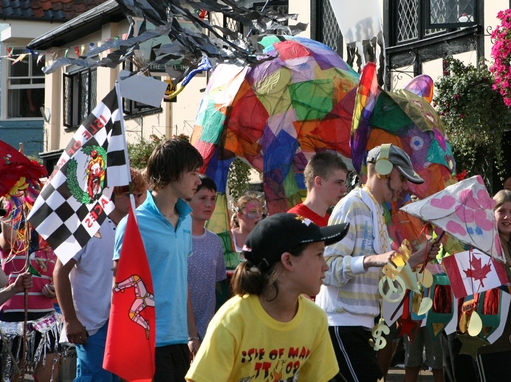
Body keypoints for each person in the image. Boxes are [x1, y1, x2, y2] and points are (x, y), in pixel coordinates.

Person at [316, 144, 438, 382]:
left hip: (361, 327)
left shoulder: (375, 210)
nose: (405, 186)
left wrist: (416, 259)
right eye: (401, 177)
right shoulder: (352, 205)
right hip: (341, 324)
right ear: (383, 170)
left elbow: (381, 272)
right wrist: (371, 260)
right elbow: (327, 268)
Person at [186, 213, 349, 382]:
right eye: (319, 255)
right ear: (288, 261)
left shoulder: (316, 318)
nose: (325, 266)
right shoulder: (233, 319)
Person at [114, 137, 202, 382]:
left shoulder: (185, 220)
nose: (198, 180)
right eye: (193, 172)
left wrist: (192, 336)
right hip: (145, 343)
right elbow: (120, 287)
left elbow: (181, 282)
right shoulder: (133, 224)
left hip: (179, 342)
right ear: (172, 173)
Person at [54, 167, 146, 382]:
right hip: (92, 325)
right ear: (111, 192)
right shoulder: (86, 225)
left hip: (126, 320)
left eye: (139, 194)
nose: (135, 200)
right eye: (128, 194)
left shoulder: (137, 227)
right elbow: (59, 272)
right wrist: (70, 320)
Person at [473, 190, 511, 382]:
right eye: (501, 211)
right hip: (495, 334)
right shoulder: (484, 246)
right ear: (492, 214)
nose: (507, 217)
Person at [0, 220, 59, 382]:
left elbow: (59, 282)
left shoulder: (51, 243)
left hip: (46, 319)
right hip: (13, 317)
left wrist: (54, 291)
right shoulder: (13, 240)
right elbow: (7, 232)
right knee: (10, 375)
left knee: (47, 373)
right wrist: (17, 200)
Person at [187, 174, 227, 340]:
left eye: (212, 198)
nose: (209, 204)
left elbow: (220, 284)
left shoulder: (215, 241)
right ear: (187, 200)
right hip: (178, 331)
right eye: (202, 198)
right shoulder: (175, 238)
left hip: (208, 330)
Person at [288, 151, 348, 227]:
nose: (344, 189)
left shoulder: (332, 220)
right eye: (339, 182)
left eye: (344, 183)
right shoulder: (294, 219)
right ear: (319, 182)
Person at [225, 191, 266, 273]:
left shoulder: (266, 237)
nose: (258, 215)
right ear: (239, 215)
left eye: (260, 211)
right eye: (253, 211)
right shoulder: (228, 237)